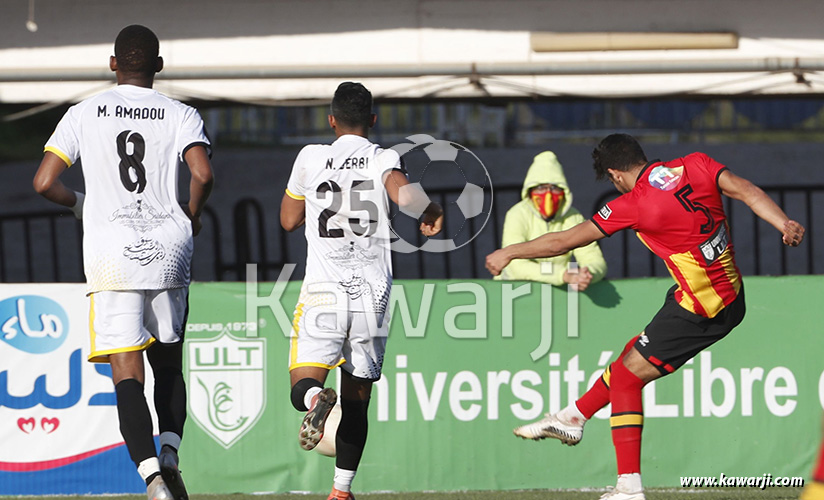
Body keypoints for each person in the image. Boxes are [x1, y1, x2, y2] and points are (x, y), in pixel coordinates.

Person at [486, 133, 805, 500]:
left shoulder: (633, 203)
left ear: (614, 174)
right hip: (724, 293)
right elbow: (746, 190)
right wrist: (783, 223)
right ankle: (573, 416)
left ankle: (629, 487)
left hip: (703, 309)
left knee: (625, 379)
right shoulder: (695, 164)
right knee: (631, 356)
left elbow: (564, 241)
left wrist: (510, 252)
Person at [33, 25, 213, 500]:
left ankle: (152, 478)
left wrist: (81, 205)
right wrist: (189, 216)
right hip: (169, 247)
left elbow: (44, 181)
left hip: (112, 253)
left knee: (126, 368)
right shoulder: (181, 113)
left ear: (113, 64)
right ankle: (171, 451)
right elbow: (202, 173)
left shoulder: (82, 113)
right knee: (169, 362)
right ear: (158, 66)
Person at [280, 81, 443, 500]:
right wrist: (429, 209)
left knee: (303, 382)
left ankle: (318, 397)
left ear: (330, 120)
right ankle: (341, 491)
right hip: (372, 294)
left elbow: (287, 219)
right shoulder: (382, 157)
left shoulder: (310, 157)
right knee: (357, 401)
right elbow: (400, 191)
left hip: (324, 289)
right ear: (372, 121)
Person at [498, 150, 606, 290]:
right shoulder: (516, 214)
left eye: (554, 188)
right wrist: (563, 275)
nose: (548, 195)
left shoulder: (573, 217)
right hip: (513, 293)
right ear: (530, 190)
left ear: (564, 191)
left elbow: (595, 260)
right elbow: (515, 266)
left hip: (557, 294)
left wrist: (587, 274)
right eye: (541, 188)